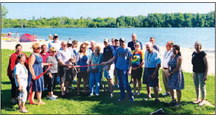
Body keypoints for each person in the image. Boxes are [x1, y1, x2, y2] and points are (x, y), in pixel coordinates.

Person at [191, 42, 208, 106]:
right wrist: (193, 73)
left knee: (202, 87)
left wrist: (205, 75)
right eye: (195, 45)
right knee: (196, 86)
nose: (196, 46)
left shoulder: (203, 54)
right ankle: (197, 99)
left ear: (200, 46)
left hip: (201, 73)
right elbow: (193, 63)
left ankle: (203, 100)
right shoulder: (194, 53)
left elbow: (206, 65)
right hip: (195, 72)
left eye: (198, 45)